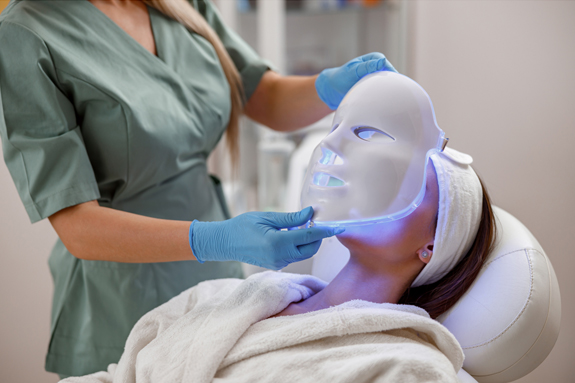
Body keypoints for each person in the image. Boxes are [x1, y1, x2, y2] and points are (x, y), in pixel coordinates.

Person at [0, 0, 397, 378]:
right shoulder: (26, 34)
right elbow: (77, 225)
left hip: (221, 289)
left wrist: (330, 86)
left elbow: (264, 96)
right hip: (120, 301)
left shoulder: (179, 6)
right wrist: (214, 238)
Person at [60, 150, 497, 383]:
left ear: (431, 245)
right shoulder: (228, 295)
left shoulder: (407, 366)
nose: (377, 187)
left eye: (406, 186)